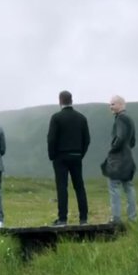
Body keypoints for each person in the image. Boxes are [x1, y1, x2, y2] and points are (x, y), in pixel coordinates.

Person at [47, 90, 90, 226]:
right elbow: (87, 139)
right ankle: (83, 219)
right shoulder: (81, 118)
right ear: (72, 100)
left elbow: (51, 139)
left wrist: (52, 155)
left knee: (62, 187)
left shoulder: (56, 118)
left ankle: (62, 219)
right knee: (79, 186)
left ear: (60, 101)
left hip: (60, 157)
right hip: (76, 156)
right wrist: (81, 154)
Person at [103, 95, 137, 223]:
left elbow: (120, 137)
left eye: (113, 104)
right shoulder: (130, 119)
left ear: (121, 105)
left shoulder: (120, 119)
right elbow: (132, 141)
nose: (110, 107)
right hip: (128, 158)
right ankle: (132, 218)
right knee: (128, 187)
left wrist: (113, 149)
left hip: (118, 159)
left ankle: (116, 219)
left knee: (114, 186)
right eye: (110, 104)